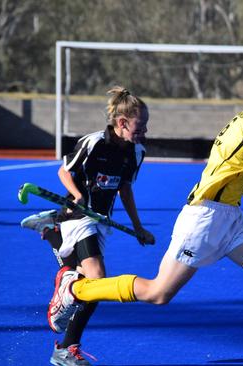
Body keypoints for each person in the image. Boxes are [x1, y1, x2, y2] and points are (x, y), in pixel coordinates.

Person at [46, 57, 243, 366]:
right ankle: (76, 287)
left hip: (229, 218)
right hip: (204, 220)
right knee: (158, 293)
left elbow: (239, 180)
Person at [27, 86, 155, 366]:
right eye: (140, 126)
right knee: (96, 281)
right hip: (79, 216)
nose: (144, 131)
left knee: (89, 284)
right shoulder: (94, 142)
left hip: (100, 221)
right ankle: (66, 347)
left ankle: (52, 235)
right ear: (122, 123)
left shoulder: (136, 152)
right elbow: (64, 170)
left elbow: (125, 189)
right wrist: (77, 195)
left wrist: (138, 227)